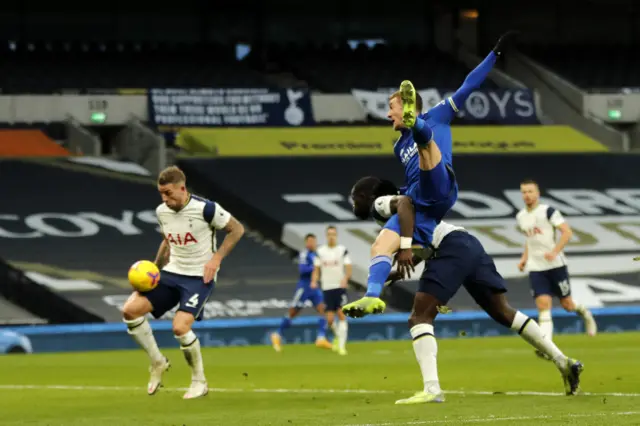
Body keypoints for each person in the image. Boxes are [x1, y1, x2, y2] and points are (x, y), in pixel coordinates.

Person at [344, 178, 584, 404]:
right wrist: (398, 271)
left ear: (366, 196)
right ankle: (563, 361)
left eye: (355, 198)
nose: (354, 204)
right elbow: (426, 239)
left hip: (449, 248)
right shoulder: (403, 212)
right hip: (468, 244)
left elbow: (406, 206)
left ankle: (432, 389)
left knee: (420, 317)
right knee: (503, 311)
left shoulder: (382, 204)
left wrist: (405, 247)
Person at [357, 32, 519, 312]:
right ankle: (372, 295)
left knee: (427, 149)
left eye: (391, 108)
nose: (387, 115)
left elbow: (469, 85)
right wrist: (407, 248)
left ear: (409, 107)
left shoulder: (439, 114)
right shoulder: (398, 147)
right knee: (379, 246)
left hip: (440, 184)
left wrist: (495, 55)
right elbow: (411, 218)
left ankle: (417, 126)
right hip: (422, 203)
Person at [122, 166, 245, 399]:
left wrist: (216, 259)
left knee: (180, 327)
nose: (164, 199)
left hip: (200, 276)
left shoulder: (207, 209)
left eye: (168, 193)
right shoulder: (162, 211)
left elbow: (237, 229)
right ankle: (157, 362)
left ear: (182, 188)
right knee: (130, 311)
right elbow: (167, 242)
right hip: (171, 273)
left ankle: (199, 381)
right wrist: (153, 270)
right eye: (161, 193)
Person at [517, 179, 597, 358]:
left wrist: (555, 251)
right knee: (543, 306)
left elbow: (567, 232)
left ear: (537, 193)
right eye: (524, 192)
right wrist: (524, 259)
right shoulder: (521, 216)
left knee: (567, 305)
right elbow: (530, 241)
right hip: (536, 267)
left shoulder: (548, 211)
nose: (527, 195)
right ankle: (547, 347)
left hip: (556, 266)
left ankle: (586, 315)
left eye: (530, 191)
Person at [270, 233, 332, 352]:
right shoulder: (304, 254)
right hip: (304, 288)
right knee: (293, 312)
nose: (312, 243)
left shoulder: (316, 254)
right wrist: (315, 267)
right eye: (309, 241)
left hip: (314, 288)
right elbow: (302, 269)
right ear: (306, 243)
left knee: (323, 309)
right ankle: (277, 334)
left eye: (313, 241)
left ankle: (321, 338)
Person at [311, 225, 352, 355]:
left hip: (339, 287)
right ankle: (338, 337)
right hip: (327, 287)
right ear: (326, 236)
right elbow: (316, 269)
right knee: (329, 320)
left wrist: (346, 278)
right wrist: (313, 280)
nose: (331, 236)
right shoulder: (320, 251)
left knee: (341, 314)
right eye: (329, 234)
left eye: (333, 234)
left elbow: (349, 267)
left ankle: (341, 346)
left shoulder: (342, 250)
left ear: (336, 235)